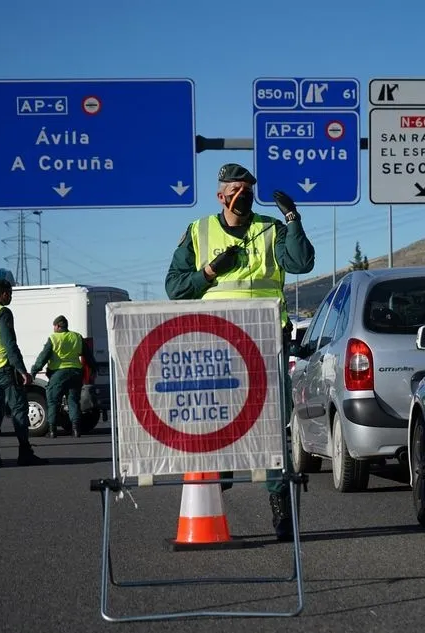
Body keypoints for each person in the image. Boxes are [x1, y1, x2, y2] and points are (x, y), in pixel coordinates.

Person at [165, 162, 315, 542]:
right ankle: (220, 483)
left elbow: (301, 262)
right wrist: (211, 272)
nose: (242, 195)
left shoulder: (271, 228)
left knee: (271, 430)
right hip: (217, 345)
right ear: (220, 195)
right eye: (235, 189)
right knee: (218, 425)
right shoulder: (200, 231)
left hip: (266, 344)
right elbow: (175, 287)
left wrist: (293, 217)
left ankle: (282, 514)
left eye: (248, 188)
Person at [0, 279, 48, 468]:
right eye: (11, 293)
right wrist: (22, 370)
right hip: (5, 368)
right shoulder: (3, 312)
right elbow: (10, 344)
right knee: (19, 409)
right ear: (4, 294)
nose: (11, 297)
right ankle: (25, 452)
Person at [29, 315, 97, 439]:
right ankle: (76, 430)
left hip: (58, 374)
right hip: (76, 373)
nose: (53, 328)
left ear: (58, 326)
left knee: (53, 402)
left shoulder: (54, 338)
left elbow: (43, 357)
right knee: (73, 401)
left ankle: (52, 431)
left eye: (54, 326)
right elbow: (87, 355)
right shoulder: (77, 337)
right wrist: (94, 368)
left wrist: (34, 371)